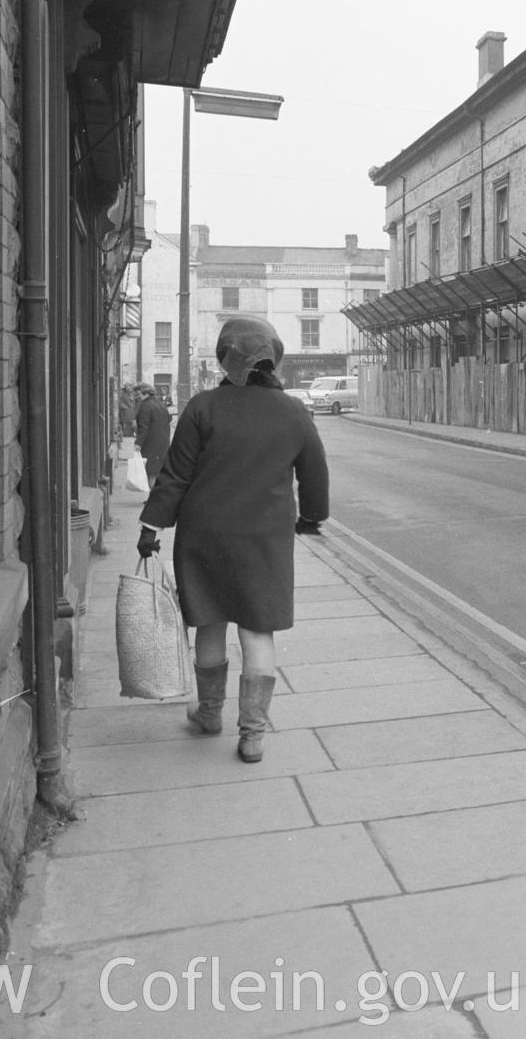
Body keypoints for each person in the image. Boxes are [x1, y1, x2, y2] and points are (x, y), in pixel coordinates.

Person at [136, 318, 329, 763]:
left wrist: (151, 527)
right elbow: (314, 475)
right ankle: (253, 734)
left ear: (225, 356)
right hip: (265, 537)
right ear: (273, 358)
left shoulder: (203, 407)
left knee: (210, 621)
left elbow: (176, 475)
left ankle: (208, 715)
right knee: (258, 630)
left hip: (205, 531)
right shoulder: (294, 412)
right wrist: (311, 517)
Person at [133, 383, 172, 486]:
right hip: (163, 442)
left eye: (138, 394)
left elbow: (143, 427)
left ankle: (154, 499)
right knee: (158, 471)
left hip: (151, 443)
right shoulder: (160, 404)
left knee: (150, 472)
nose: (138, 397)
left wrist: (138, 443)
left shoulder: (145, 406)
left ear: (145, 393)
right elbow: (168, 420)